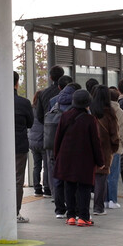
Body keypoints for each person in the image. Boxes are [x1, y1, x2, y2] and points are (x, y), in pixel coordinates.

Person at [53, 90, 104, 227]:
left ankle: (70, 216)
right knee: (84, 187)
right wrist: (100, 161)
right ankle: (83, 217)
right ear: (88, 103)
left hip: (66, 157)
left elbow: (58, 138)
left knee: (69, 186)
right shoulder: (90, 120)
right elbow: (96, 142)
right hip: (85, 159)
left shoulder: (65, 116)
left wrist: (57, 156)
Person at [47, 81, 78, 219]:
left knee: (57, 177)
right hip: (70, 146)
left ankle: (59, 209)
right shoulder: (76, 104)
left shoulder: (54, 101)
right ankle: (73, 207)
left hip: (53, 144)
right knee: (72, 178)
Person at [35, 66, 65, 197]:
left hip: (50, 132)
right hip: (66, 134)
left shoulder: (43, 93)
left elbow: (40, 115)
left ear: (50, 77)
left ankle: (51, 190)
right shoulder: (70, 93)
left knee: (50, 162)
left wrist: (48, 125)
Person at [90, 86, 119, 215]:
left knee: (86, 180)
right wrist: (113, 149)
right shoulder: (109, 113)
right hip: (104, 150)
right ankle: (98, 207)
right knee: (101, 178)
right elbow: (115, 135)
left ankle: (83, 208)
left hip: (88, 149)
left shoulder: (88, 111)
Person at [12, 72, 34, 223]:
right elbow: (30, 123)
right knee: (18, 179)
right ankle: (14, 212)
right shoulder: (24, 103)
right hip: (19, 145)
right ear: (17, 83)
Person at [106, 88, 123, 209]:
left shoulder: (101, 110)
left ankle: (104, 199)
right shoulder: (119, 112)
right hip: (116, 147)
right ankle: (112, 200)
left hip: (103, 147)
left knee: (104, 175)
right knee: (113, 174)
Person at [28, 90, 49, 197]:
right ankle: (46, 188)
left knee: (36, 166)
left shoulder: (31, 109)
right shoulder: (44, 110)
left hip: (32, 141)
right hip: (42, 140)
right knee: (46, 166)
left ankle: (37, 188)